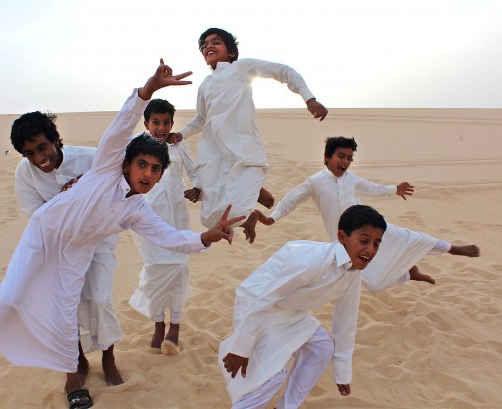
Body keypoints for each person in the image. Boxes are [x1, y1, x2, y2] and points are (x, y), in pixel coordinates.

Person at [0, 60, 245, 409]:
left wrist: (206, 237)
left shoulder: (137, 210)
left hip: (78, 254)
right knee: (10, 296)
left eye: (155, 170)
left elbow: (170, 237)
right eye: (142, 164)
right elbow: (123, 124)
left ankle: (72, 380)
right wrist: (148, 90)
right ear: (126, 163)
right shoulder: (105, 165)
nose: (148, 173)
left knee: (67, 316)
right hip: (43, 237)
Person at [257, 136, 480, 292]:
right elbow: (292, 199)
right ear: (327, 157)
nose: (345, 162)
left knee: (409, 239)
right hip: (346, 239)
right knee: (373, 283)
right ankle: (409, 274)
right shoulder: (315, 182)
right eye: (341, 156)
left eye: (349, 158)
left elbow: (373, 189)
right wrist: (272, 218)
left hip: (371, 224)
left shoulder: (351, 179)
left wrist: (394, 189)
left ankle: (452, 249)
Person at [169, 27, 328, 243]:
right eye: (204, 45)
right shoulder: (205, 84)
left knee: (239, 195)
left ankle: (255, 191)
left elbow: (284, 71)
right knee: (212, 216)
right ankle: (249, 216)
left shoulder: (242, 68)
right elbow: (201, 118)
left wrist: (309, 98)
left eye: (216, 42)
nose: (209, 46)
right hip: (214, 151)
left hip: (242, 145)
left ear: (231, 52)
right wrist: (181, 133)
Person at [220, 205, 387, 408]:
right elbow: (266, 296)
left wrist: (342, 372)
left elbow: (346, 320)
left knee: (323, 347)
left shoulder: (353, 273)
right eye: (364, 240)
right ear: (342, 237)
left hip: (291, 310)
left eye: (377, 244)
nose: (370, 249)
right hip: (258, 301)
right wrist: (242, 348)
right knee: (272, 375)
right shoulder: (314, 261)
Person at [12, 111, 124, 385]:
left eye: (42, 147)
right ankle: (77, 361)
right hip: (58, 248)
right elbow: (38, 216)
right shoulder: (25, 174)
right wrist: (67, 198)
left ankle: (108, 358)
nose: (39, 159)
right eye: (30, 154)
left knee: (99, 298)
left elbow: (117, 191)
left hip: (98, 241)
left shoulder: (90, 158)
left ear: (55, 141)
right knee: (65, 307)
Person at [129, 99, 200, 355]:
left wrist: (198, 187)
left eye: (166, 122)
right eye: (156, 122)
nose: (161, 127)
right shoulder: (135, 146)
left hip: (177, 217)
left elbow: (194, 171)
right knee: (155, 271)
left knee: (179, 268)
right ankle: (158, 324)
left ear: (172, 123)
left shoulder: (179, 145)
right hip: (146, 219)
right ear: (146, 123)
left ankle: (176, 326)